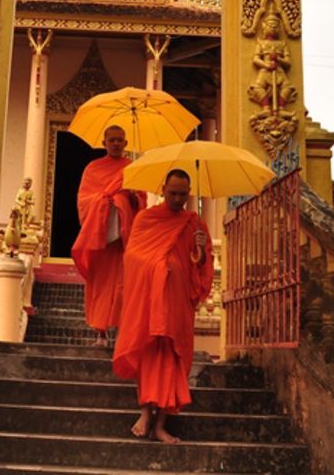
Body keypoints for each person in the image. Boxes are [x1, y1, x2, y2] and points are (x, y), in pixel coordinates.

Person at [113, 168, 212, 444]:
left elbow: (201, 267)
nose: (178, 199)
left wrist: (201, 251)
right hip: (149, 301)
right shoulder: (146, 219)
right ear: (163, 189)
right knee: (148, 353)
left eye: (182, 194)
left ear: (189, 193)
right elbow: (132, 257)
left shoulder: (194, 223)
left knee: (173, 359)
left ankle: (160, 425)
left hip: (177, 302)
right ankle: (145, 413)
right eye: (172, 193)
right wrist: (158, 267)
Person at [71, 125, 144, 346]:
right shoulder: (93, 169)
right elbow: (83, 202)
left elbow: (142, 203)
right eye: (111, 140)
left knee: (126, 287)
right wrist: (104, 201)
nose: (115, 143)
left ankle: (124, 334)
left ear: (126, 144)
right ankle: (100, 334)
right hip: (100, 236)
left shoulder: (132, 169)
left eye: (120, 140)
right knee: (100, 287)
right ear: (104, 143)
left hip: (123, 238)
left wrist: (131, 198)